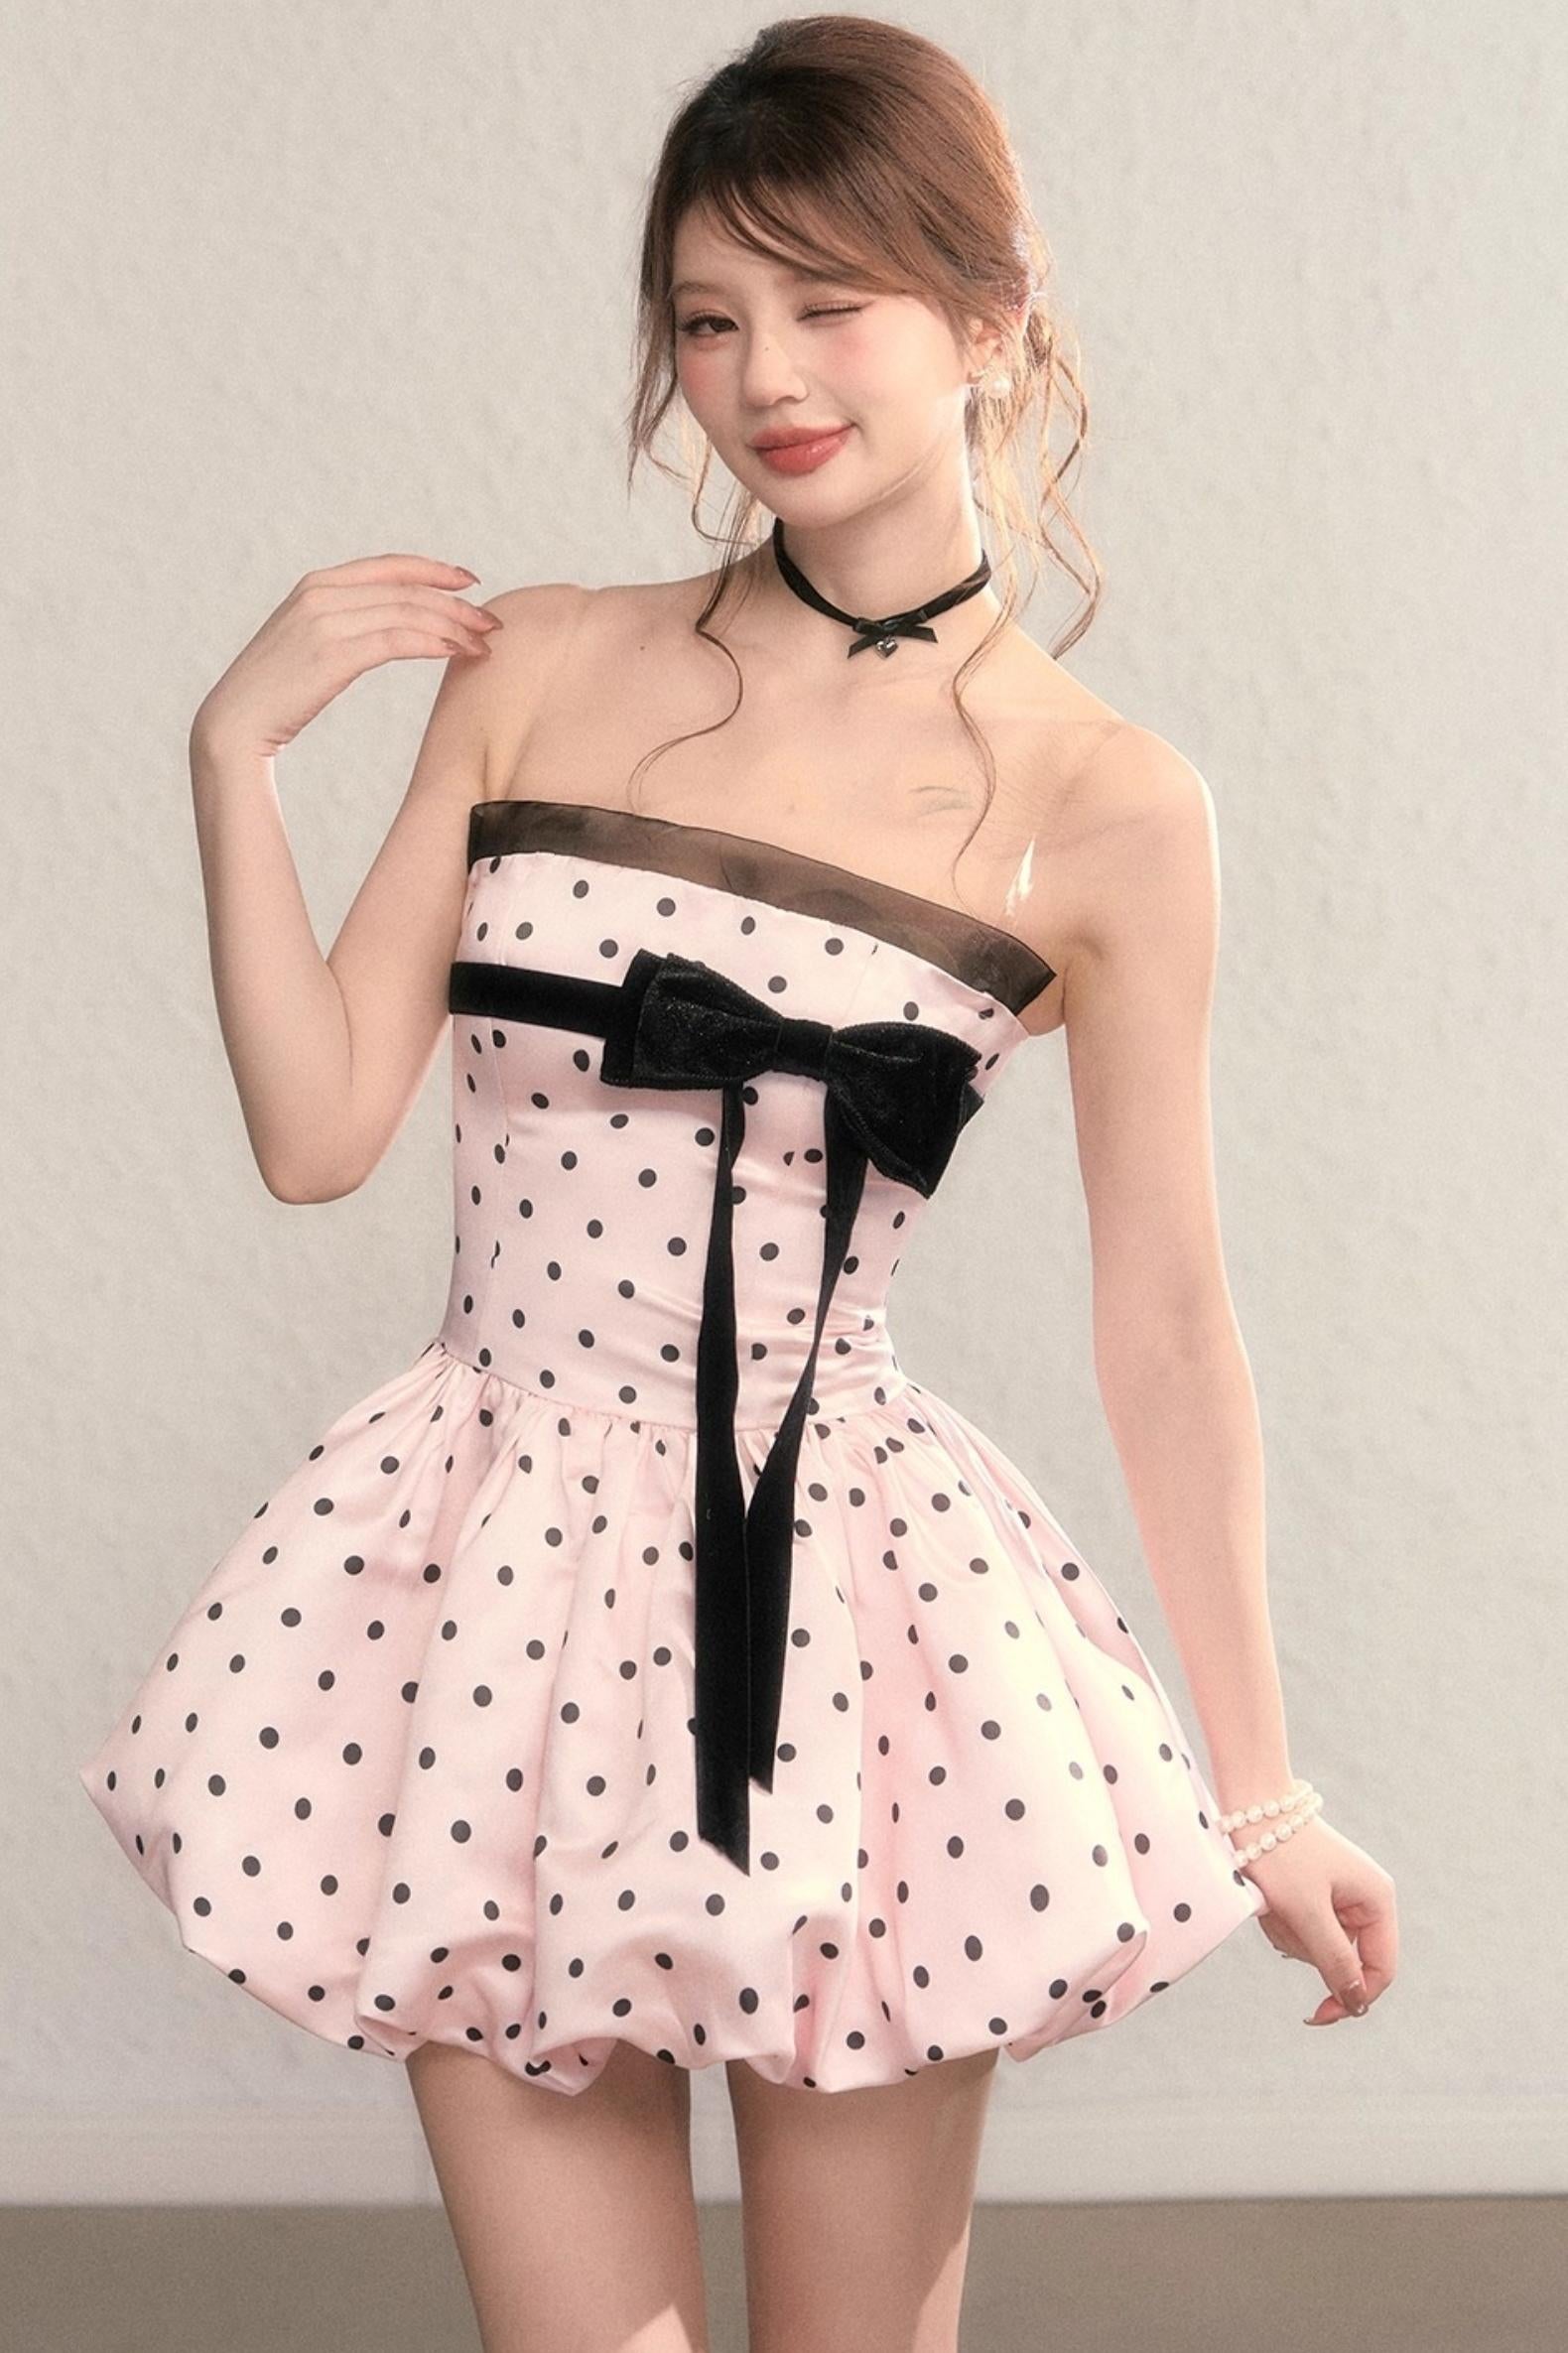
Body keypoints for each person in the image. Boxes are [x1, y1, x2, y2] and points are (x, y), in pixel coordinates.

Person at [78, 17, 1397, 2352]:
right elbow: (316, 1132)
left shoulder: (1109, 806)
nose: (761, 375)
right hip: (492, 1584)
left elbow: (1168, 1321)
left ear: (988, 313)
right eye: (707, 317)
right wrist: (231, 753)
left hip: (853, 1627)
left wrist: (1266, 1794)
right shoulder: (543, 666)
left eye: (826, 302)